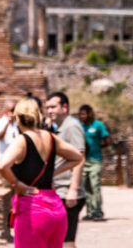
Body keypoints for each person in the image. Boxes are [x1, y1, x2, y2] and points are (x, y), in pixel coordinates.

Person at [0, 98, 84, 248]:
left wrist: (17, 184)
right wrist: (53, 173)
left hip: (33, 210)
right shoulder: (50, 137)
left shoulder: (22, 140)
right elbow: (76, 157)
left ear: (18, 118)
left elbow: (3, 165)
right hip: (56, 209)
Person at [44, 92, 86, 248]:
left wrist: (73, 189)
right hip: (59, 190)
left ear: (64, 107)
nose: (50, 111)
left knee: (67, 242)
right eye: (47, 107)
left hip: (68, 191)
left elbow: (80, 158)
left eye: (53, 107)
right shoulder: (59, 127)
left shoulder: (72, 126)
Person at [77, 104, 110, 221]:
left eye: (83, 114)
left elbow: (107, 140)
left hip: (95, 160)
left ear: (89, 114)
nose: (81, 116)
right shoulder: (79, 126)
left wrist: (97, 147)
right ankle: (90, 211)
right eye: (80, 114)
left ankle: (98, 211)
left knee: (95, 185)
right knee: (86, 187)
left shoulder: (98, 125)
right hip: (83, 161)